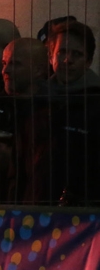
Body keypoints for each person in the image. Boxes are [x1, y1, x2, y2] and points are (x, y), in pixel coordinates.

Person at [0, 39, 52, 203]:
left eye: (16, 64)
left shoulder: (52, 111)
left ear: (38, 70)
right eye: (4, 63)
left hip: (30, 205)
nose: (5, 70)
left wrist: (12, 161)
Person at [44, 21, 100, 205]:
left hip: (84, 209)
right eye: (62, 52)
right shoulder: (37, 97)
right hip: (37, 204)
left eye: (77, 54)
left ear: (89, 61)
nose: (68, 59)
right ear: (51, 56)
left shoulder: (95, 102)